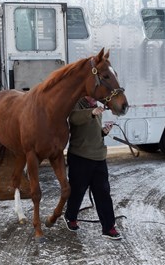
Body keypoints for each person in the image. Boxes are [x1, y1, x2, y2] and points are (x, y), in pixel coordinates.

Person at [63, 96, 122, 240]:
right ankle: (70, 217)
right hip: (80, 156)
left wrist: (103, 132)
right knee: (77, 191)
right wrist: (91, 112)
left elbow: (90, 131)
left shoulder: (96, 105)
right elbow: (74, 119)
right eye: (93, 94)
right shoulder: (76, 103)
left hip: (98, 156)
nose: (96, 98)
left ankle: (108, 227)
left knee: (103, 193)